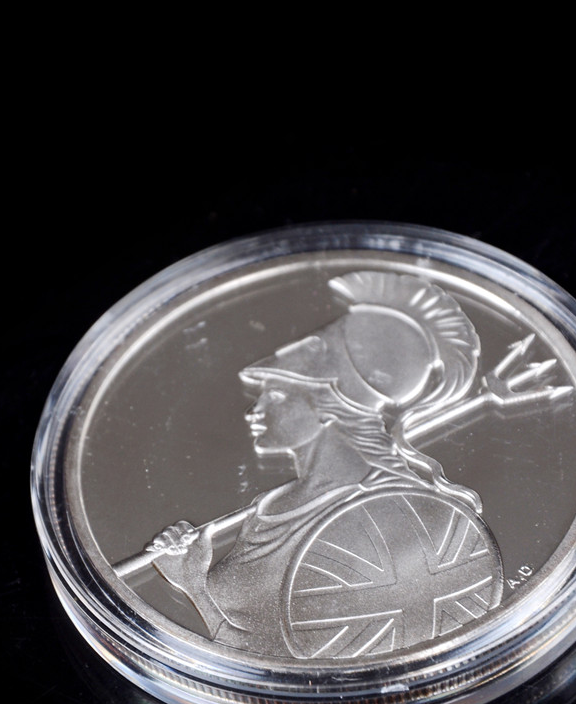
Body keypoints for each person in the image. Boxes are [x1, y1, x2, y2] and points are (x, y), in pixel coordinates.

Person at [148, 271, 503, 658]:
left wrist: (197, 585)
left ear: (327, 410)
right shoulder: (269, 508)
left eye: (277, 395)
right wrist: (190, 578)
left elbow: (281, 658)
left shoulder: (399, 514)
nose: (253, 409)